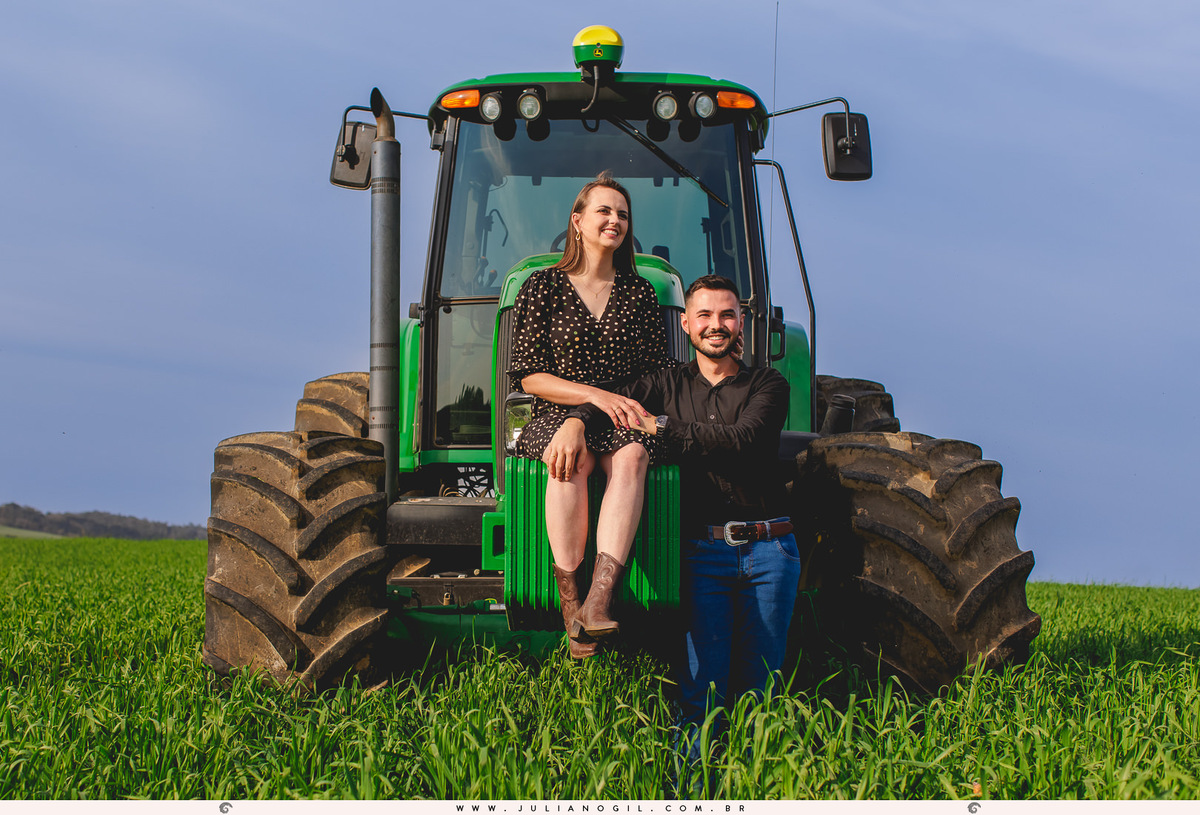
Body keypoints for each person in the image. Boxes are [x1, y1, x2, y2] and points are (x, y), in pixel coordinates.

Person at [556, 274, 799, 745]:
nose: (716, 325)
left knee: (761, 692)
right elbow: (610, 398)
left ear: (741, 323)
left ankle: (758, 788)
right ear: (685, 324)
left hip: (771, 552)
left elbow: (744, 442)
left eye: (726, 314)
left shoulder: (768, 384)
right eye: (704, 316)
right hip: (703, 552)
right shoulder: (663, 383)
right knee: (699, 693)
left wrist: (660, 429)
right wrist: (573, 421)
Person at [508, 172, 675, 659]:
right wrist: (590, 403)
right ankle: (571, 606)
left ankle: (598, 604)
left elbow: (655, 373)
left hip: (620, 420)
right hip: (555, 418)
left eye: (622, 214)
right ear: (577, 221)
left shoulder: (641, 295)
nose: (615, 220)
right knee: (571, 459)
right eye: (604, 211)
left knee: (633, 457)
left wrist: (608, 409)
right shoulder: (543, 287)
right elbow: (529, 377)